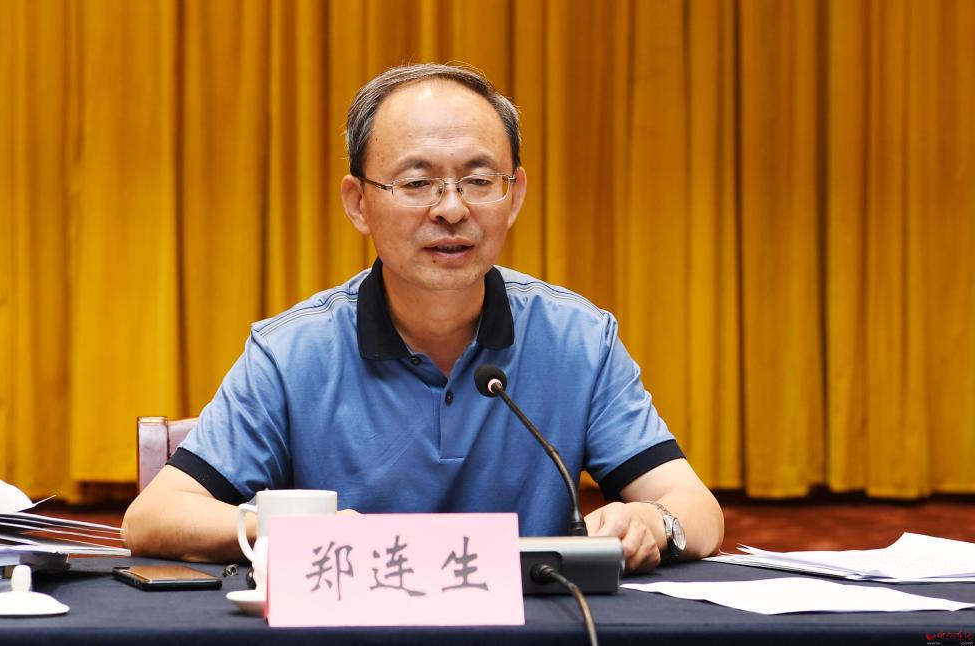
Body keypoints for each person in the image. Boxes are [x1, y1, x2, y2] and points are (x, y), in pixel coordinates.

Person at [122, 63, 724, 572]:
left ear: (514, 195)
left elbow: (698, 511)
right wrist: (291, 530)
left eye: (479, 180)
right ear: (358, 203)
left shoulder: (578, 340)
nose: (452, 209)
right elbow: (153, 517)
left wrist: (654, 521)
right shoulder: (292, 352)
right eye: (417, 182)